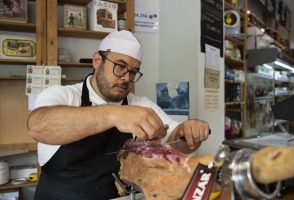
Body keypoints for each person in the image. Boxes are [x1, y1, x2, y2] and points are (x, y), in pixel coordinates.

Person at [27, 30, 210, 200]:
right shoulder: (63, 95)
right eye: (120, 67)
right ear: (97, 61)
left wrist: (189, 132)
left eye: (133, 72)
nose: (126, 78)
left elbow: (175, 140)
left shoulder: (140, 104)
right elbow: (38, 126)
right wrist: (113, 114)